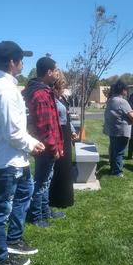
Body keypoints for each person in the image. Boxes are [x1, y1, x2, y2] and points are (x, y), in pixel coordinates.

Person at [0, 40, 45, 265]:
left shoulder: (7, 87)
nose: (22, 63)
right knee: (0, 209)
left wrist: (29, 144)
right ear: (12, 62)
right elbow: (13, 133)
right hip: (7, 159)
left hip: (15, 157)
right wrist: (32, 144)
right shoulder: (5, 90)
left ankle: (13, 238)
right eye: (21, 59)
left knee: (25, 191)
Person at [23, 56, 64, 227]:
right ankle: (36, 216)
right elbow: (45, 127)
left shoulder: (45, 90)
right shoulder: (40, 94)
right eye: (55, 70)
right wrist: (54, 147)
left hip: (48, 146)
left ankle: (45, 211)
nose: (57, 73)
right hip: (45, 147)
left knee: (46, 179)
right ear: (48, 72)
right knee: (41, 182)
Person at [49, 69, 77, 209]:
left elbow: (67, 117)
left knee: (66, 168)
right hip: (58, 136)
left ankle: (66, 197)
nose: (62, 89)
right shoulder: (50, 99)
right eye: (60, 87)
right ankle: (56, 199)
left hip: (66, 135)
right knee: (59, 168)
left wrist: (72, 131)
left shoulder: (62, 98)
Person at [104, 79, 133, 176]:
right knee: (120, 151)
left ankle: (113, 168)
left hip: (112, 129)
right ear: (123, 90)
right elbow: (131, 115)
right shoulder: (122, 101)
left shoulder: (111, 100)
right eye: (126, 90)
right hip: (121, 130)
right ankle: (118, 172)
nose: (127, 91)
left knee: (113, 149)